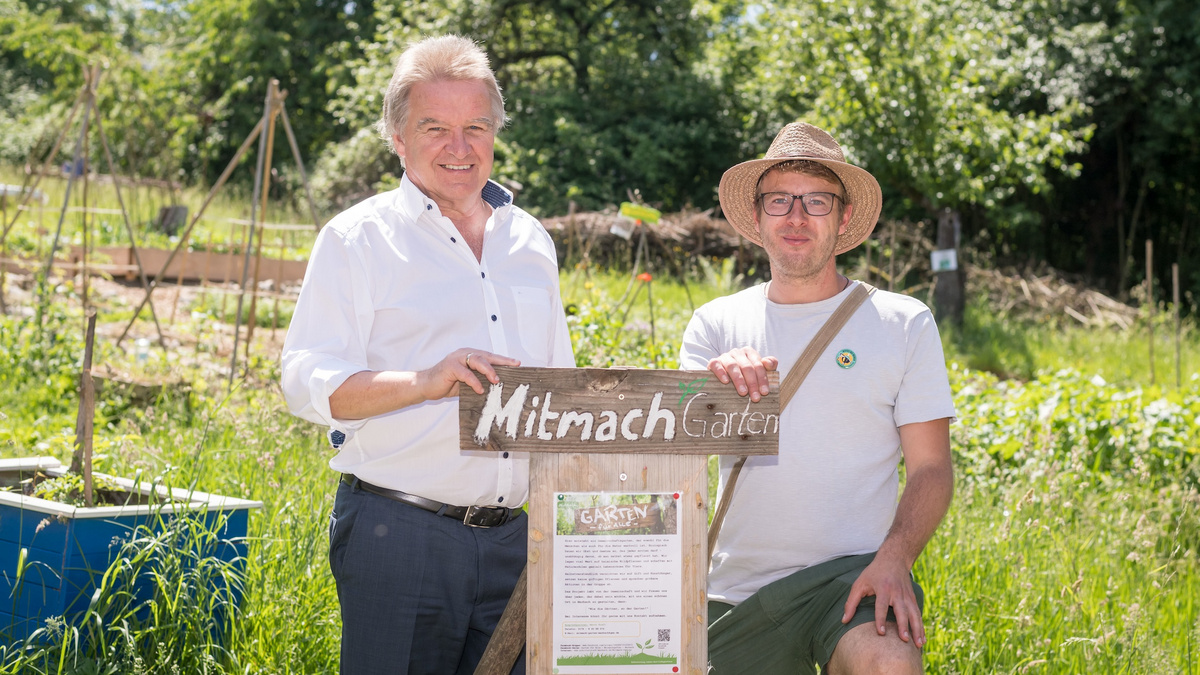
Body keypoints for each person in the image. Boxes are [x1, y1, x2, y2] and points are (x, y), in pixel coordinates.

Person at [280, 34, 574, 675]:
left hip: (516, 542)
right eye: (434, 127)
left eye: (475, 127)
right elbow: (306, 381)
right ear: (398, 137)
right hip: (400, 535)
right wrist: (426, 380)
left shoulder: (530, 242)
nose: (459, 147)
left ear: (495, 132)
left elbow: (559, 388)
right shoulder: (357, 239)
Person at [679, 122, 956, 674]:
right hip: (736, 590)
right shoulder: (715, 323)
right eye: (780, 200)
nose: (796, 216)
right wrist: (711, 386)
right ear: (757, 217)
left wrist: (896, 558)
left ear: (844, 217)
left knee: (889, 664)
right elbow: (680, 459)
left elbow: (932, 467)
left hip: (854, 579)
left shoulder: (904, 322)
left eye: (816, 201)